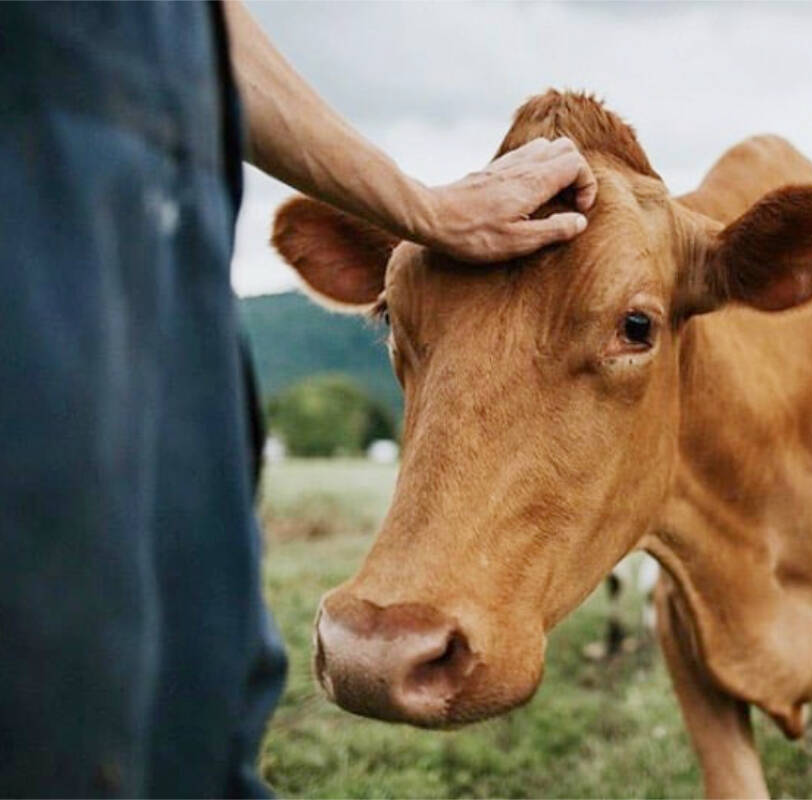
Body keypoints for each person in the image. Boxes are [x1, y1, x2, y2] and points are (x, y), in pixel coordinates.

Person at [0, 3, 595, 797]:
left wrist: (425, 208)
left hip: (178, 200)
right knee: (59, 679)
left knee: (202, 691)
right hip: (43, 163)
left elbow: (206, 24)